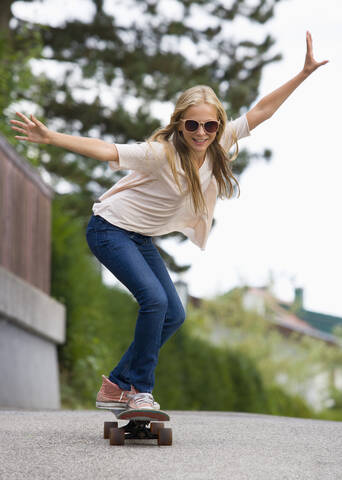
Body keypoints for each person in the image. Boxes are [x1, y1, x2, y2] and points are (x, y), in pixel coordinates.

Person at [10, 31, 328, 411]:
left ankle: (116, 385)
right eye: (193, 126)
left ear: (217, 126)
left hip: (139, 238)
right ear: (180, 125)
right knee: (155, 301)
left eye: (210, 126)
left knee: (174, 313)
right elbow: (106, 149)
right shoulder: (159, 154)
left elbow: (261, 111)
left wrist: (304, 73)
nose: (202, 134)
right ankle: (140, 390)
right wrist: (51, 137)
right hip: (108, 230)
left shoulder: (219, 142)